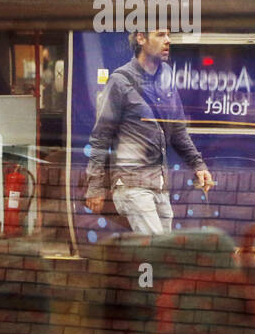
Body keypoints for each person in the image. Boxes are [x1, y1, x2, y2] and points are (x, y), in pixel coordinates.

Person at [83, 29, 213, 236]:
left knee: (161, 254)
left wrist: (198, 165)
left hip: (159, 184)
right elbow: (101, 137)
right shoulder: (120, 81)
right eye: (160, 35)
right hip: (132, 184)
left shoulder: (167, 75)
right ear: (141, 38)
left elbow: (177, 130)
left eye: (169, 35)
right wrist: (95, 187)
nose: (168, 41)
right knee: (156, 250)